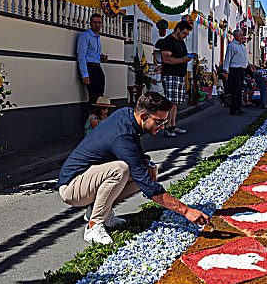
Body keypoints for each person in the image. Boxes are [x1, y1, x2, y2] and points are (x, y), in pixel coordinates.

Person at [57, 92, 210, 244]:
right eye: (159, 122)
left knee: (148, 169)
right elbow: (144, 181)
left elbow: (136, 153)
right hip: (72, 188)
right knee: (120, 169)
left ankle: (101, 211)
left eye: (165, 122)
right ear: (143, 116)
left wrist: (146, 162)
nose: (162, 127)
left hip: (88, 178)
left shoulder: (127, 114)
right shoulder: (122, 136)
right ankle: (94, 225)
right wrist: (187, 211)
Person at [159, 21, 194, 137]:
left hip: (179, 75)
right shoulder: (168, 41)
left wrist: (189, 57)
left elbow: (183, 55)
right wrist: (184, 60)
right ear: (178, 30)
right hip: (170, 75)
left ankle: (173, 125)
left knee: (175, 103)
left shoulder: (181, 42)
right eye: (184, 33)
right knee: (170, 102)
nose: (185, 36)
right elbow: (166, 59)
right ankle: (167, 127)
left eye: (187, 34)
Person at [77, 13, 109, 109]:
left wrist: (101, 56)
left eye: (99, 23)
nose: (97, 25)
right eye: (95, 22)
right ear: (90, 23)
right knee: (94, 95)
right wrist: (85, 75)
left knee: (100, 94)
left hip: (98, 67)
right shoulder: (85, 36)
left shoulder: (98, 37)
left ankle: (99, 119)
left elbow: (93, 53)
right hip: (90, 67)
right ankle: (92, 119)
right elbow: (81, 56)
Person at [223, 29, 249, 115]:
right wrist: (225, 71)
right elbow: (227, 59)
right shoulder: (232, 46)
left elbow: (243, 58)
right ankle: (233, 109)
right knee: (235, 90)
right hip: (235, 70)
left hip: (242, 70)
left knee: (239, 90)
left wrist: (249, 65)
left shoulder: (242, 46)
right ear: (236, 36)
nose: (243, 36)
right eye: (241, 35)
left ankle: (238, 107)